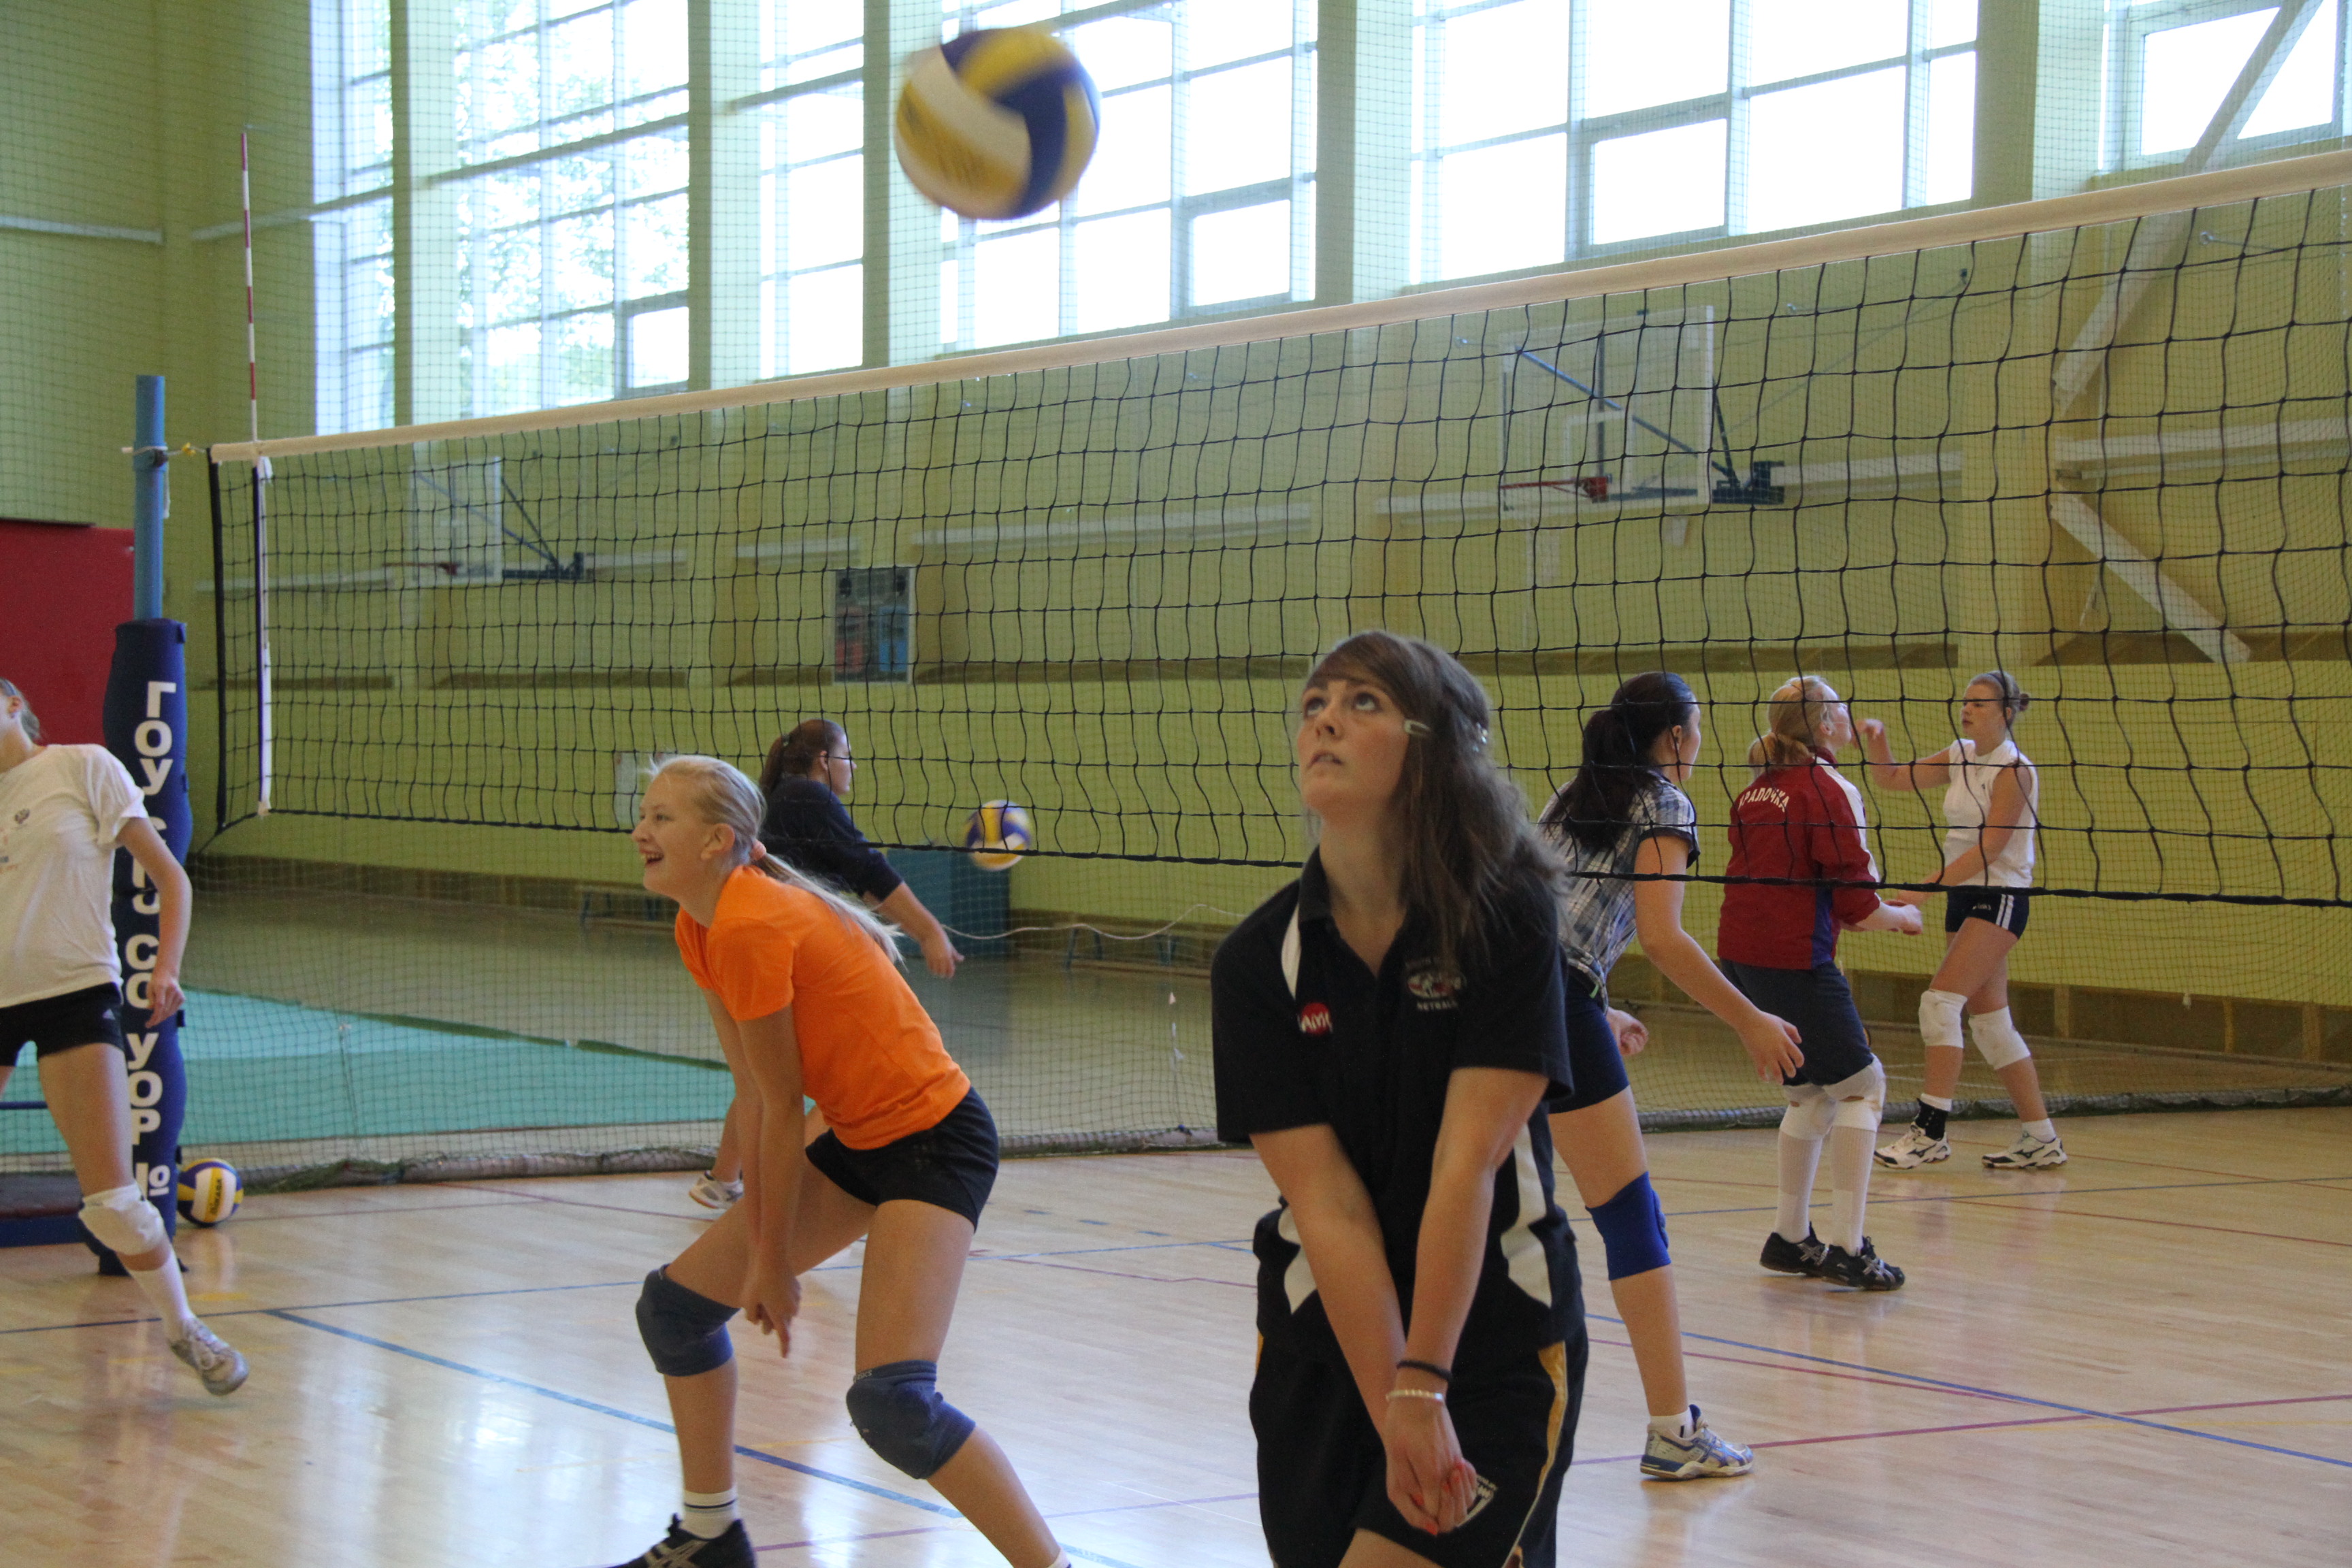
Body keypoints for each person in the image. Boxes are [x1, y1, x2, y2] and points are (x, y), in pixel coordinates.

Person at [614, 755, 1068, 1568]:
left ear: (717, 841)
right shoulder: (701, 924)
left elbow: (780, 1107)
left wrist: (771, 1259)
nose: (640, 832)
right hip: (859, 1140)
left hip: (937, 1144)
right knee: (674, 1313)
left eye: (661, 818)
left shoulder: (752, 923)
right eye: (644, 815)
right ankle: (711, 1538)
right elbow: (755, 1098)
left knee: (895, 1404)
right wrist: (762, 1250)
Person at [1213, 630, 1584, 1568]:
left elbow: (1469, 1162)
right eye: (1315, 704)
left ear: (1434, 749)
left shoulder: (1506, 918)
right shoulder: (1259, 962)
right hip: (1321, 1347)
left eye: (1363, 702)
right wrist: (1396, 1399)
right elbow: (1326, 1203)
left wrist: (1423, 1386)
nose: (1325, 720)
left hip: (1491, 1341)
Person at [1535, 672, 1794, 1475]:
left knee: (1479, 1208)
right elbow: (1664, 938)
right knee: (1630, 1216)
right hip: (1551, 1007)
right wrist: (1750, 1019)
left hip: (1490, 1000)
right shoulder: (1664, 805)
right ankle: (1674, 1433)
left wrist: (1599, 1004)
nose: (1702, 742)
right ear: (1677, 737)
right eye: (1698, 728)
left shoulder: (1573, 796)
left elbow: (1531, 917)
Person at [0, 676, 247, 1395]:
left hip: (73, 997)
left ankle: (184, 1328)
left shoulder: (82, 767)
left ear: (14, 705)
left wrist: (166, 967)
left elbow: (171, 879)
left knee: (113, 1203)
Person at [686, 720, 957, 1212]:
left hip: (740, 943)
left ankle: (724, 1180)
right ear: (824, 762)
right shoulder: (809, 797)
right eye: (846, 755)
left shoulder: (783, 798)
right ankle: (803, 1187)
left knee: (759, 1081)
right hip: (772, 951)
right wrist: (928, 931)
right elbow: (869, 870)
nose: (853, 766)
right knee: (818, 1084)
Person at [1717, 677, 1920, 1292]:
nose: (1848, 717)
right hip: (1794, 959)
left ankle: (1789, 1238)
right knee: (1864, 1087)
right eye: (1840, 709)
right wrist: (1902, 917)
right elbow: (1856, 903)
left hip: (1741, 959)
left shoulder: (1757, 790)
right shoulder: (1829, 788)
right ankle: (1849, 1249)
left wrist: (1866, 912)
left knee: (1809, 1095)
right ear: (1826, 725)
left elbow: (1821, 891)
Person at [1861, 671, 2065, 1170]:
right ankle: (2041, 1137)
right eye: (1966, 701)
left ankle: (1930, 1133)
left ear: (2006, 713)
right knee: (1991, 1024)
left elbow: (1991, 847)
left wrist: (1925, 888)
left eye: (1979, 703)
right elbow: (1891, 779)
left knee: (1939, 1004)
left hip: (2000, 896)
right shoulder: (1960, 754)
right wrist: (1878, 740)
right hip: (1963, 895)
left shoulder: (2015, 770)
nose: (1967, 709)